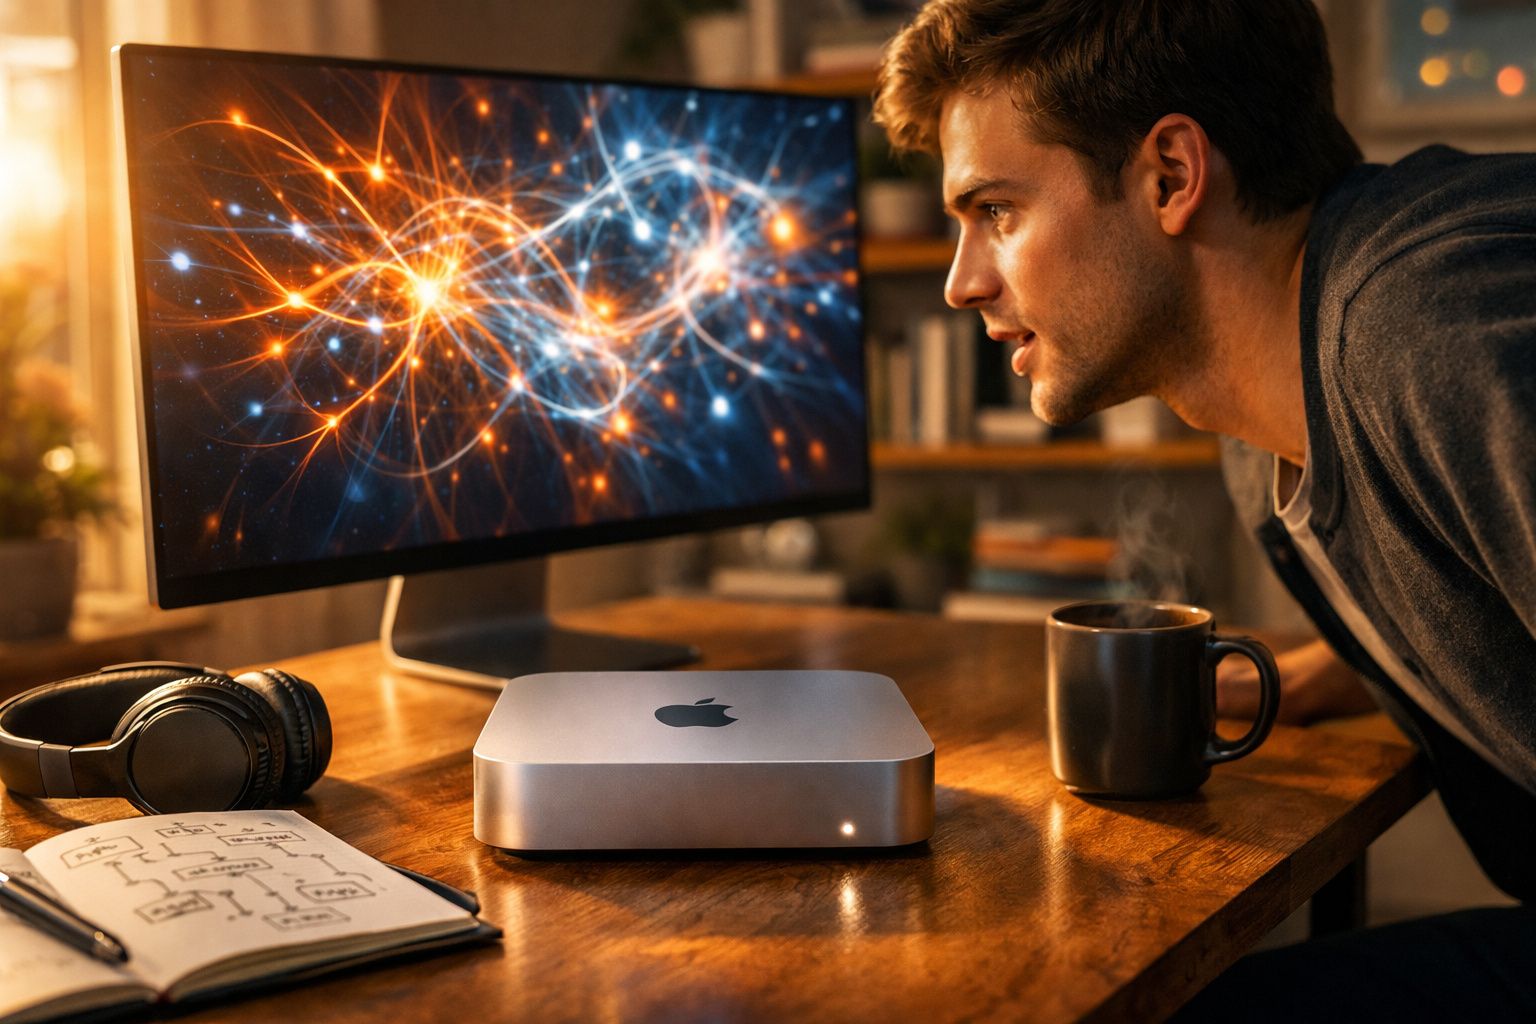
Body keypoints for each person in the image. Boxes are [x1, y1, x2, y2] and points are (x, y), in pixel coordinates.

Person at [873, 0, 1536, 1017]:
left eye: (996, 212)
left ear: (1171, 176)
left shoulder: (1433, 329)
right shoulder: (1255, 425)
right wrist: (1367, 654)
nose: (964, 283)